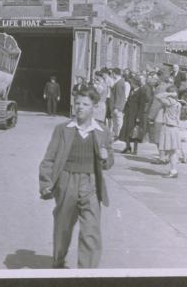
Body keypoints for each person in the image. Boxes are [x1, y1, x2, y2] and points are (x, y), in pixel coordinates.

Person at [38, 86, 114, 269]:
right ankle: (58, 261)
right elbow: (49, 158)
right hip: (66, 181)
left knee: (91, 231)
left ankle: (87, 273)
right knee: (63, 226)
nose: (80, 107)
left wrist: (106, 158)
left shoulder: (102, 130)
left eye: (85, 104)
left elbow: (109, 161)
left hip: (91, 184)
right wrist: (46, 182)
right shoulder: (63, 129)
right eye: (77, 103)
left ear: (94, 107)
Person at [156, 86, 182, 178]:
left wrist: (169, 94)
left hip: (168, 127)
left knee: (171, 151)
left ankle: (173, 170)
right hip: (175, 128)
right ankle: (174, 170)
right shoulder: (178, 103)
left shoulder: (170, 101)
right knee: (173, 151)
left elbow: (158, 96)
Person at [118, 76, 141, 154]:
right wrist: (124, 110)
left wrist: (138, 116)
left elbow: (141, 105)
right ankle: (128, 147)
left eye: (132, 83)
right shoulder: (132, 90)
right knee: (126, 130)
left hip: (135, 114)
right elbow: (128, 101)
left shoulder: (141, 92)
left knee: (134, 131)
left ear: (136, 83)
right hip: (128, 113)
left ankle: (135, 149)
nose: (131, 84)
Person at [108, 68, 127, 139]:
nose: (112, 75)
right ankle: (117, 135)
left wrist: (116, 107)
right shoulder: (119, 82)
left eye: (112, 73)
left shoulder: (119, 83)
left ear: (114, 73)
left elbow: (119, 97)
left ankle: (119, 135)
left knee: (118, 122)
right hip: (116, 106)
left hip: (117, 107)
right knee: (116, 122)